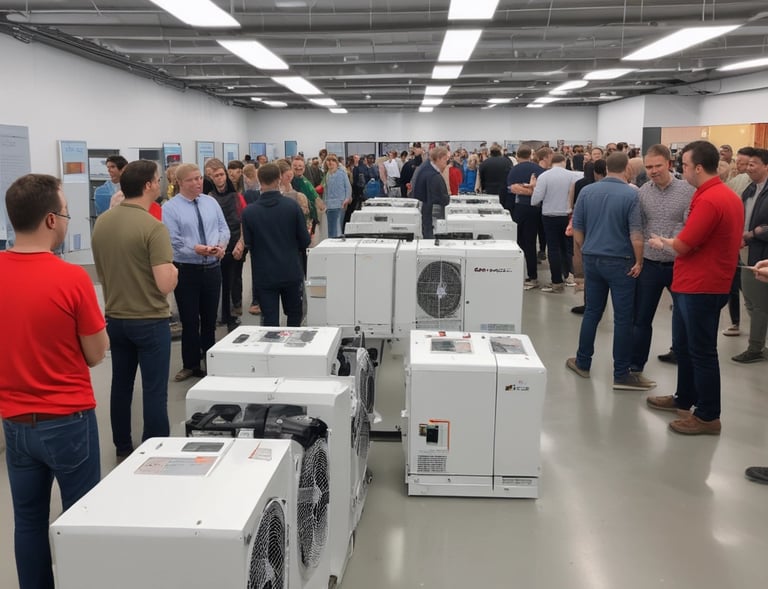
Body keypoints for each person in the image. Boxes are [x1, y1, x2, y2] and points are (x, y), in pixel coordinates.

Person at [0, 173, 108, 589]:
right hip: (68, 420)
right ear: (50, 220)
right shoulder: (71, 278)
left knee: (27, 522)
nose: (66, 220)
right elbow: (97, 354)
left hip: (15, 422)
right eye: (64, 213)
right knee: (81, 517)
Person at [645, 141, 743, 435]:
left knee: (702, 352)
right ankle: (684, 397)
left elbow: (685, 244)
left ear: (698, 168)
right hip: (695, 283)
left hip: (702, 286)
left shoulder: (711, 199)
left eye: (684, 165)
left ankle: (708, 415)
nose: (681, 170)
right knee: (686, 348)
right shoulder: (718, 195)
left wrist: (663, 242)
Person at [92, 160, 177, 460]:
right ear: (148, 186)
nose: (159, 183)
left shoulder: (102, 222)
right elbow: (165, 283)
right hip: (150, 320)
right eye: (157, 179)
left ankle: (123, 448)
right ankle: (154, 452)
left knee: (121, 385)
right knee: (155, 390)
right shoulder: (154, 228)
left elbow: (102, 270)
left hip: (115, 318)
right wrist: (175, 272)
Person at [566, 152, 653, 391]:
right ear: (626, 168)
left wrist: (586, 251)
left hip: (593, 260)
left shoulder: (587, 191)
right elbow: (636, 233)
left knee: (592, 312)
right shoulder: (631, 194)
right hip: (622, 261)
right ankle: (621, 373)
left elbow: (578, 229)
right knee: (624, 318)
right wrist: (639, 261)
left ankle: (582, 362)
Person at [629, 144, 694, 380]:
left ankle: (680, 355)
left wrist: (669, 242)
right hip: (650, 264)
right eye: (648, 167)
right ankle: (636, 365)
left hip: (680, 265)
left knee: (684, 317)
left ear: (669, 164)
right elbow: (638, 226)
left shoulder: (688, 190)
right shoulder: (642, 192)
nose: (653, 171)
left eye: (657, 166)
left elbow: (691, 226)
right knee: (641, 318)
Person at [161, 163, 229, 382]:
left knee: (210, 320)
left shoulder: (211, 202)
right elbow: (174, 241)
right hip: (187, 270)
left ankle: (210, 362)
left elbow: (223, 228)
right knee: (190, 320)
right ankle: (190, 364)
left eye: (199, 178)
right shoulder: (170, 208)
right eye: (191, 179)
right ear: (179, 183)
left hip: (212, 268)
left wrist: (221, 245)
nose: (197, 182)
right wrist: (196, 249)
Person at [234, 163, 310, 327]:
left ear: (259, 180)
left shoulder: (249, 212)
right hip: (290, 270)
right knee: (294, 317)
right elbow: (305, 241)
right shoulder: (293, 207)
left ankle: (272, 350)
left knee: (269, 321)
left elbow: (248, 242)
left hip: (264, 274)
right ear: (279, 179)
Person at [731, 148, 768, 364]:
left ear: (765, 166)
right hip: (746, 251)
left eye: (753, 163)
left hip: (762, 253)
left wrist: (753, 234)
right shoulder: (749, 189)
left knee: (759, 302)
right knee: (751, 301)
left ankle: (755, 348)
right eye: (747, 164)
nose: (748, 167)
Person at [204, 158, 245, 331]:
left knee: (233, 279)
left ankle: (232, 314)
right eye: (216, 176)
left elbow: (244, 220)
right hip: (217, 246)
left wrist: (241, 243)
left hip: (235, 243)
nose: (219, 179)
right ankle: (221, 314)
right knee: (218, 282)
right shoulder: (209, 198)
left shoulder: (237, 197)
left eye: (222, 175)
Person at [530, 153, 579, 293]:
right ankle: (569, 276)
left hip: (549, 215)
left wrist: (533, 187)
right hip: (566, 215)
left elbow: (535, 200)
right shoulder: (573, 176)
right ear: (564, 161)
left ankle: (556, 282)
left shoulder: (544, 176)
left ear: (551, 162)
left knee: (553, 249)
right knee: (567, 248)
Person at [412, 146, 451, 239]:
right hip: (431, 215)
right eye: (445, 160)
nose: (446, 163)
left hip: (425, 211)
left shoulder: (425, 167)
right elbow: (442, 199)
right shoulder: (433, 176)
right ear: (438, 159)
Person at [322, 154, 352, 237]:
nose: (330, 162)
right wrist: (324, 204)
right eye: (328, 160)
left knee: (338, 230)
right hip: (329, 206)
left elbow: (348, 187)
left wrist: (347, 199)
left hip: (340, 205)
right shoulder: (327, 175)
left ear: (336, 162)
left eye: (333, 160)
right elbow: (325, 191)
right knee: (330, 230)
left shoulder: (342, 173)